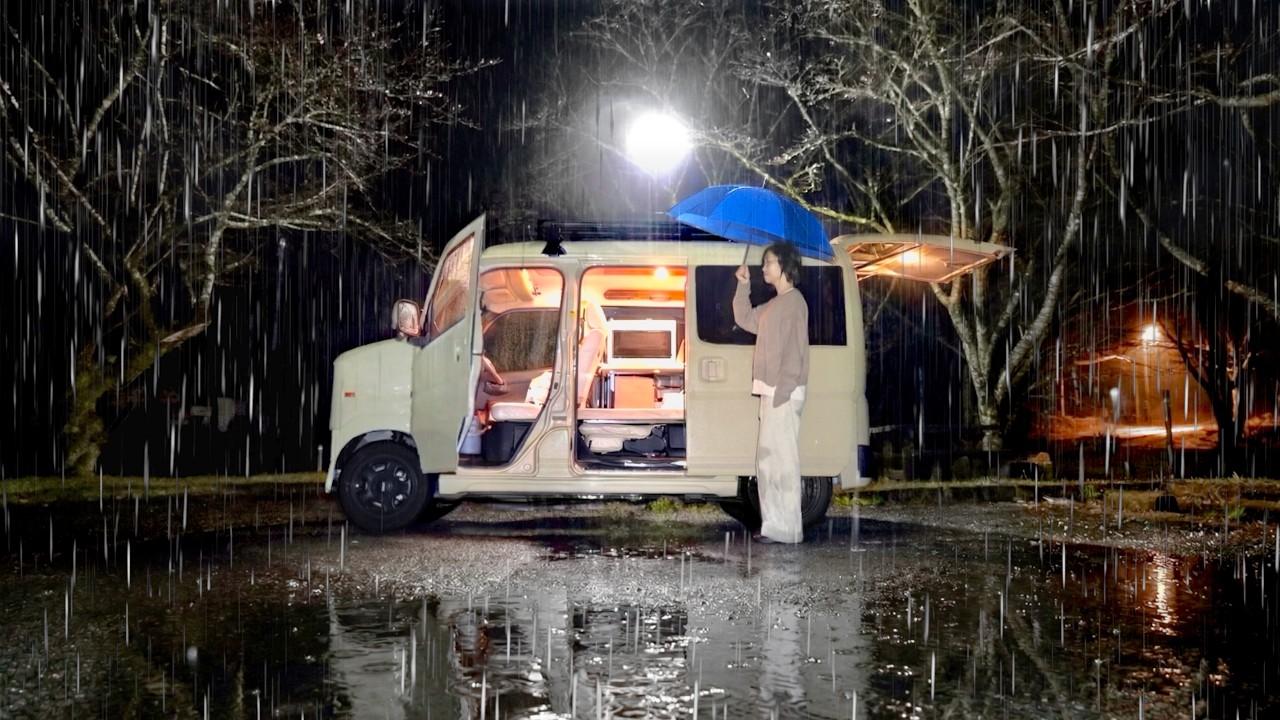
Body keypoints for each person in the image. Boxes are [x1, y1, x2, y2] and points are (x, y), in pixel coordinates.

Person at [732, 242, 810, 544]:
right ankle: (774, 527)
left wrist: (784, 391)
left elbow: (795, 352)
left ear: (785, 266)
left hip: (783, 392)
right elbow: (746, 318)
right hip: (773, 391)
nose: (764, 267)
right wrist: (743, 286)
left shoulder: (794, 302)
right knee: (767, 462)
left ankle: (788, 530)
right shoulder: (777, 303)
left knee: (783, 462)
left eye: (769, 262)